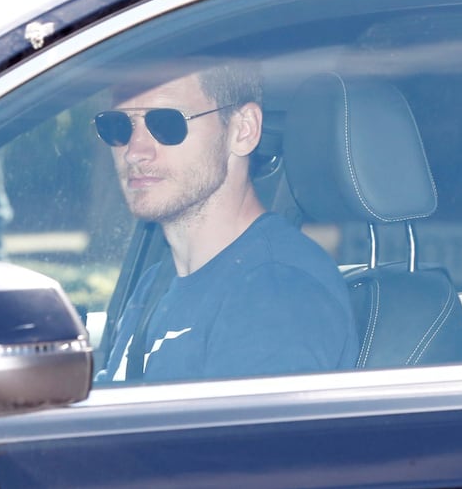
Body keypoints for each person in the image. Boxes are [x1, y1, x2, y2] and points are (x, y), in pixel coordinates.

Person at [93, 60, 359, 383]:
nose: (135, 152)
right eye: (119, 126)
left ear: (243, 130)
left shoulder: (276, 294)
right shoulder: (157, 282)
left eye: (166, 124)